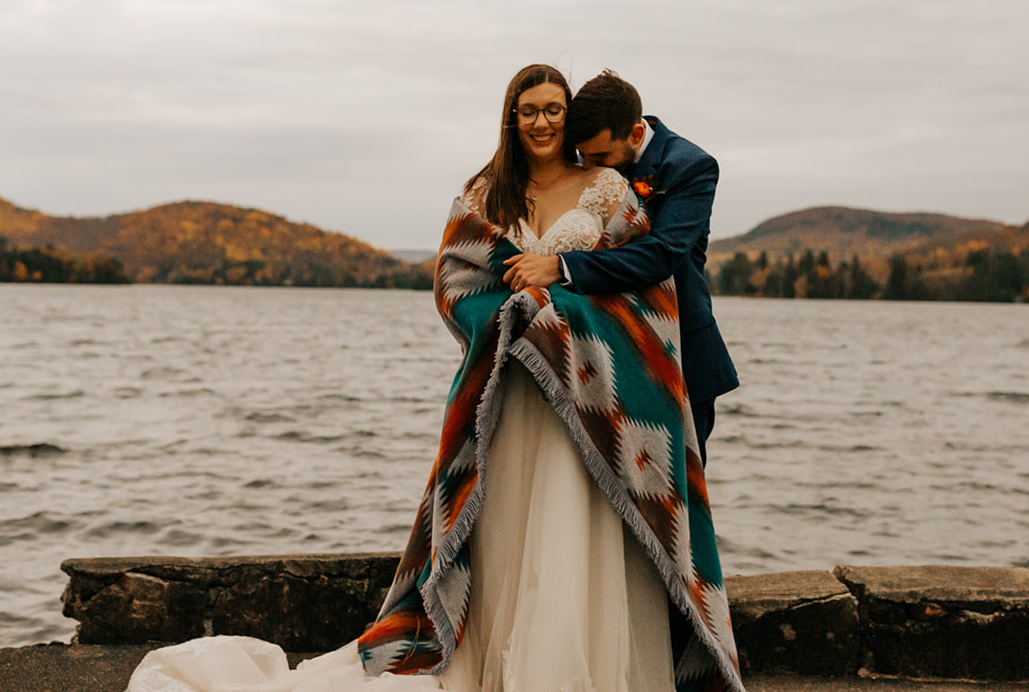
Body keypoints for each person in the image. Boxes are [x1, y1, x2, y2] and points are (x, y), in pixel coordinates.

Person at [128, 65, 742, 692]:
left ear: (571, 116)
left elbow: (648, 284)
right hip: (510, 389)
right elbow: (455, 284)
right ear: (511, 116)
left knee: (579, 530)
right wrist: (509, 318)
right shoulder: (484, 194)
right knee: (506, 531)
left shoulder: (610, 188)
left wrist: (559, 296)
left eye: (554, 109)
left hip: (587, 397)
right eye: (529, 110)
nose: (542, 121)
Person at [501, 70, 738, 467]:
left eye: (599, 159)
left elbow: (661, 255)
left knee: (675, 489)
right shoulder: (590, 151)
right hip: (601, 354)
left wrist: (560, 266)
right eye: (583, 158)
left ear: (633, 134)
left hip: (679, 350)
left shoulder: (691, 167)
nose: (591, 169)